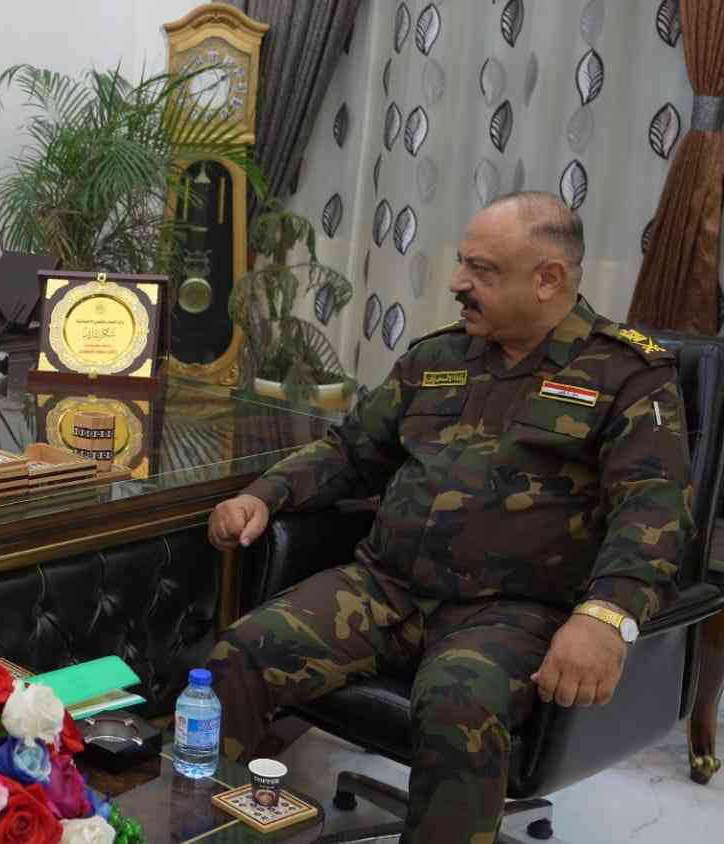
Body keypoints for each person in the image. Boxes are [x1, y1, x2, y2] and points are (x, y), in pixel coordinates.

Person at [206, 192, 692, 844]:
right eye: (463, 263)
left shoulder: (627, 374)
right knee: (240, 655)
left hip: (513, 612)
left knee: (456, 706)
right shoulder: (438, 358)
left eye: (482, 270)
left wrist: (606, 616)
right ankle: (202, 828)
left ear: (548, 279)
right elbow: (351, 452)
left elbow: (653, 507)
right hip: (385, 588)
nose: (458, 282)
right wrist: (264, 496)